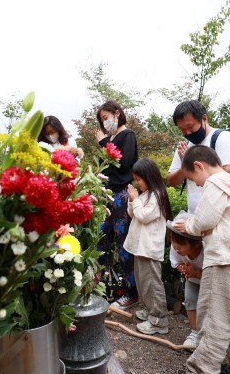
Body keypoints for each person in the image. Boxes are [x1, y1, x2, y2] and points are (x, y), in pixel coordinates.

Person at [174, 145, 230, 374]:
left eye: (193, 178)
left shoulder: (215, 183)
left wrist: (189, 225)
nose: (197, 184)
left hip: (225, 260)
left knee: (214, 319)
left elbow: (204, 220)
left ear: (199, 166)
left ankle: (201, 369)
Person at [95, 100, 139, 309]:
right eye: (102, 120)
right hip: (106, 195)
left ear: (117, 113)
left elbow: (124, 162)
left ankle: (132, 292)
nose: (105, 122)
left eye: (106, 117)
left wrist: (104, 143)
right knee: (101, 242)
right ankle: (101, 288)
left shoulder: (127, 135)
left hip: (121, 195)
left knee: (123, 245)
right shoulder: (110, 138)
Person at [123, 158, 173, 335]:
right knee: (143, 282)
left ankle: (159, 320)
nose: (137, 183)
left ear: (149, 176)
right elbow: (133, 214)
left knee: (152, 284)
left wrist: (136, 200)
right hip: (140, 248)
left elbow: (143, 216)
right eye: (135, 179)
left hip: (149, 249)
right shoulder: (145, 194)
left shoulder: (157, 195)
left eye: (139, 179)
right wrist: (132, 200)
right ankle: (149, 310)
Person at [167, 100, 230, 213]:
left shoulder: (224, 138)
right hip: (195, 216)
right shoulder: (185, 147)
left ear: (204, 119)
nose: (187, 133)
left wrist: (191, 164)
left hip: (223, 215)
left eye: (190, 126)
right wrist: (185, 166)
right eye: (182, 129)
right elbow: (171, 181)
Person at [169, 227, 203, 347]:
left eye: (181, 244)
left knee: (207, 307)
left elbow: (214, 275)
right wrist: (184, 269)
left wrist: (195, 273)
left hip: (209, 282)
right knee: (190, 302)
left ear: (196, 244)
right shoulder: (175, 248)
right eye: (173, 242)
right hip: (192, 279)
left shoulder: (206, 251)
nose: (176, 247)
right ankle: (195, 332)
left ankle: (207, 336)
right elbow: (176, 263)